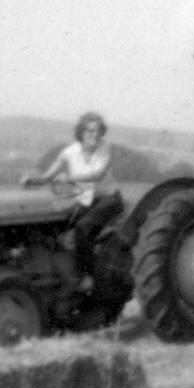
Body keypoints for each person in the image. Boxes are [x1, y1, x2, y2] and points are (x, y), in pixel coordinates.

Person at [24, 112, 123, 292]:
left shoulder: (105, 148)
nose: (95, 134)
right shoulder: (70, 152)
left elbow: (97, 175)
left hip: (109, 197)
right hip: (87, 196)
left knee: (84, 226)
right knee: (60, 226)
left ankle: (87, 278)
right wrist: (32, 180)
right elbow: (48, 176)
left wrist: (68, 178)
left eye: (98, 130)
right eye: (90, 130)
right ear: (81, 132)